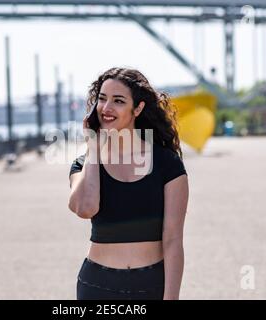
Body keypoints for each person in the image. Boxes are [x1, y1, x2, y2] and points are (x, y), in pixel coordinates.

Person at [68, 67, 189, 300]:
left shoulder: (167, 164)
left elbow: (173, 240)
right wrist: (93, 148)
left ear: (138, 108)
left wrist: (171, 298)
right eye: (102, 99)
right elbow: (85, 208)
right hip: (97, 286)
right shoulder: (84, 165)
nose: (107, 108)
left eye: (118, 101)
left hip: (151, 286)